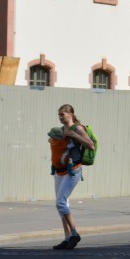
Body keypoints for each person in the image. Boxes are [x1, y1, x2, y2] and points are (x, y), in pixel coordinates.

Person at [52, 104, 94, 250]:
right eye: (59, 114)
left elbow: (90, 145)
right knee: (61, 206)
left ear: (71, 114)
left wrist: (75, 135)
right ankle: (67, 237)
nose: (60, 116)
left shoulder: (77, 128)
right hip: (59, 171)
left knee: (61, 203)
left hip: (72, 171)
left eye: (62, 114)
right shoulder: (63, 130)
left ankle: (75, 234)